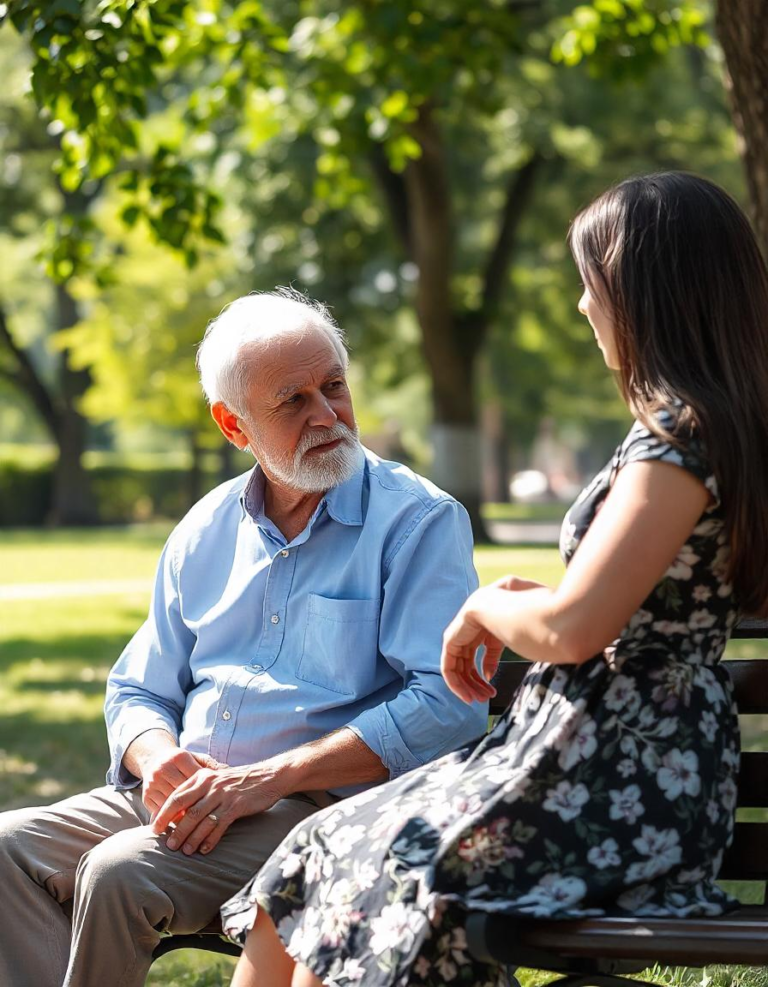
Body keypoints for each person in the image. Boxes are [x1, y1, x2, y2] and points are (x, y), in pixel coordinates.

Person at [221, 172, 768, 987]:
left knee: (380, 875)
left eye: (593, 287)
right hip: (582, 756)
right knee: (316, 854)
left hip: (619, 775)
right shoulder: (698, 426)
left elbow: (577, 629)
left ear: (646, 293)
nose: (584, 308)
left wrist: (484, 604)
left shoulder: (679, 438)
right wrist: (525, 600)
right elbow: (618, 606)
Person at [0, 288, 486, 987]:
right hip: (190, 797)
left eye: (334, 386)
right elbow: (138, 685)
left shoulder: (416, 521)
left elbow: (448, 702)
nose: (326, 414)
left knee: (117, 872)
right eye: (292, 400)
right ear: (234, 426)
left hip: (319, 809)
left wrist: (268, 779)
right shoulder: (204, 528)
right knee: (9, 847)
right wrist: (158, 755)